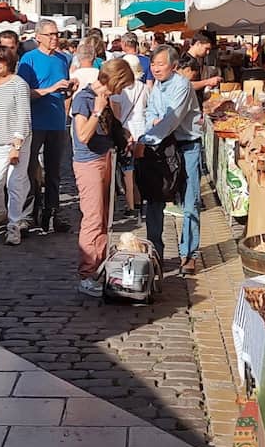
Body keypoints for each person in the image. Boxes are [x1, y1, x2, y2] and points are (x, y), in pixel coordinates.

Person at [71, 58, 135, 297]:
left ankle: (99, 267)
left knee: (105, 217)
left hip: (106, 158)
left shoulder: (106, 100)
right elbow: (83, 135)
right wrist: (97, 110)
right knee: (93, 218)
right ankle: (86, 273)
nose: (123, 90)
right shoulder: (84, 99)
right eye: (123, 85)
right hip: (89, 163)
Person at [138, 44, 201, 277]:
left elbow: (171, 119)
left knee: (190, 200)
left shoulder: (181, 85)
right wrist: (151, 129)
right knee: (155, 200)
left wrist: (149, 138)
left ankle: (189, 254)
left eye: (160, 64)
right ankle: (156, 252)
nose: (155, 68)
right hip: (162, 148)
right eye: (153, 64)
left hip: (186, 146)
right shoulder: (157, 87)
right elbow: (151, 112)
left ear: (173, 66)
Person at [17, 19, 72, 234]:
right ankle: (29, 214)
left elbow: (63, 91)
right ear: (38, 37)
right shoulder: (28, 60)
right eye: (50, 34)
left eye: (56, 34)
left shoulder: (62, 59)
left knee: (54, 171)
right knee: (30, 170)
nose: (54, 38)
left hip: (57, 121)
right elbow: (23, 93)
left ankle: (52, 213)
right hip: (35, 122)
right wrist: (50, 89)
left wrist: (69, 90)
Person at [0, 47, 32, 245]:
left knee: (14, 184)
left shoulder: (19, 85)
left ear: (9, 62)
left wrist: (17, 144)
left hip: (17, 141)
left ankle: (14, 226)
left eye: (1, 60)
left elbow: (23, 115)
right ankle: (0, 212)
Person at [111, 52, 149, 218]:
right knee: (139, 169)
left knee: (127, 170)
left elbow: (116, 115)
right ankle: (140, 200)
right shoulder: (144, 87)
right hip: (142, 131)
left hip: (126, 132)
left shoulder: (120, 90)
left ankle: (130, 205)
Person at [180, 31, 221, 98]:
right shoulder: (187, 61)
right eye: (206, 48)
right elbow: (186, 86)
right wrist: (208, 82)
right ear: (198, 43)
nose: (208, 52)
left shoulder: (194, 60)